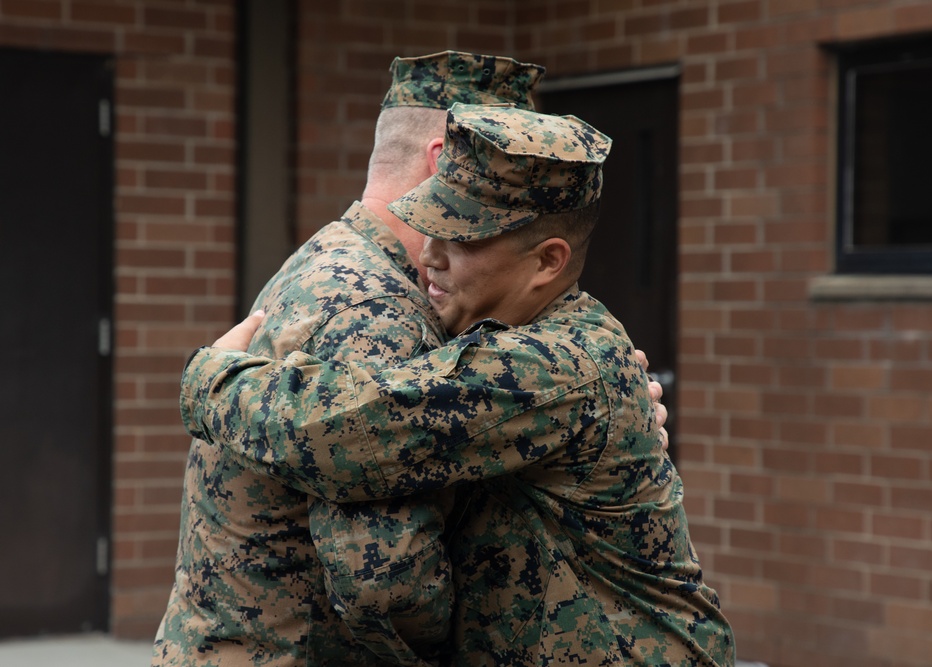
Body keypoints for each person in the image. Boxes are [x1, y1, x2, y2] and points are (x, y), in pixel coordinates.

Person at [179, 104, 735, 666]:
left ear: (547, 262)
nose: (428, 256)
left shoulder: (549, 364)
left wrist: (213, 376)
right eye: (430, 226)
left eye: (462, 240)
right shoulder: (522, 339)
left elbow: (348, 432)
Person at [152, 52, 547, 667]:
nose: (528, 209)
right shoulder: (375, 308)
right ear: (445, 164)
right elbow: (386, 578)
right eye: (513, 179)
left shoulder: (338, 261)